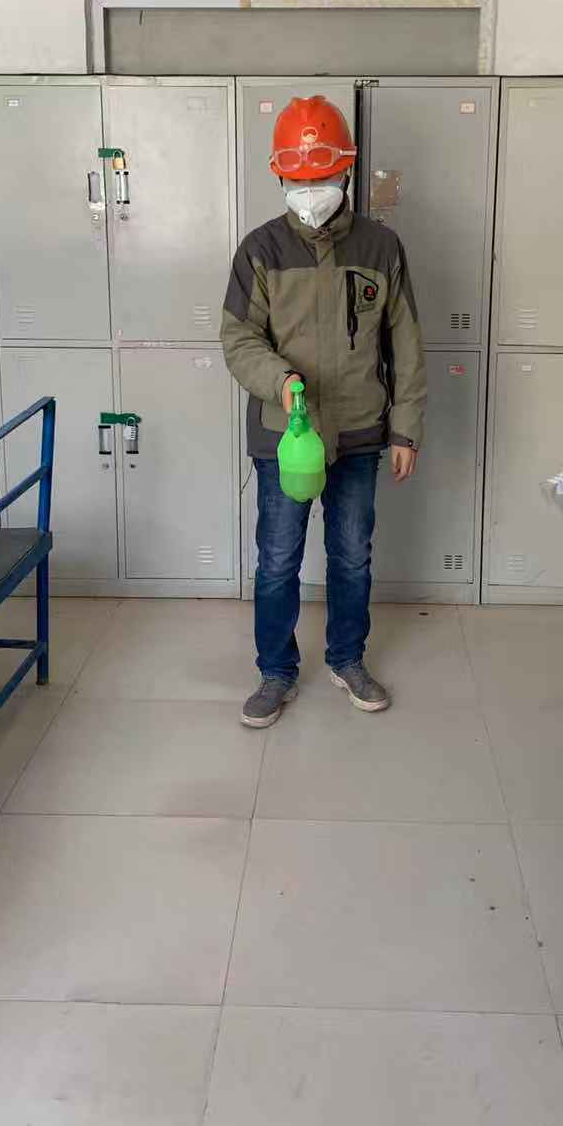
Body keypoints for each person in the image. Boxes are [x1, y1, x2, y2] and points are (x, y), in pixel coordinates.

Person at [221, 95, 427, 728]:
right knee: (278, 558)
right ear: (280, 176)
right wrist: (279, 379)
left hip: (361, 431)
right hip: (286, 436)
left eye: (323, 177)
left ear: (346, 171)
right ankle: (275, 672)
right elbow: (238, 339)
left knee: (352, 554)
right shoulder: (260, 250)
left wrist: (406, 429)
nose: (311, 191)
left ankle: (347, 659)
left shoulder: (381, 247)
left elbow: (406, 344)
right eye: (300, 179)